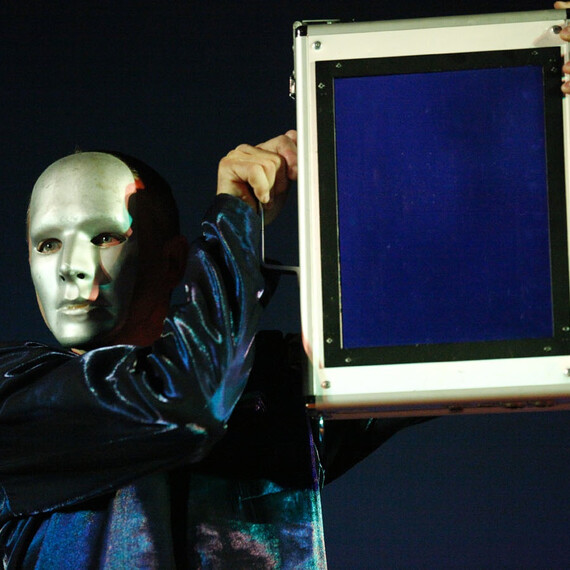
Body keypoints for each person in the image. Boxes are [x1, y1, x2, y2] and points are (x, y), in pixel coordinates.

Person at [0, 132, 299, 568]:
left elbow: (398, 364)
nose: (70, 268)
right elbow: (184, 399)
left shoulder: (260, 388)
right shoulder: (12, 394)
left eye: (104, 237)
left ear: (173, 261)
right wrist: (235, 218)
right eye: (48, 244)